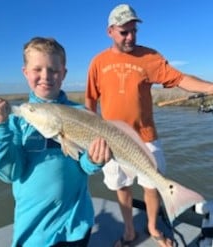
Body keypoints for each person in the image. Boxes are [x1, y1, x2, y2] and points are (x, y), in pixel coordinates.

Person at [85, 4, 213, 247]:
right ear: (110, 31)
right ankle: (130, 231)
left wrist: (210, 87)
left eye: (134, 31)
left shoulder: (149, 57)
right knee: (120, 185)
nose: (130, 37)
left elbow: (180, 79)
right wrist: (93, 132)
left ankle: (153, 228)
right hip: (110, 138)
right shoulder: (98, 62)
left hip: (145, 137)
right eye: (124, 32)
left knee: (152, 184)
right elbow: (90, 98)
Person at [0, 37, 112, 247]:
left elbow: (84, 165)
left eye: (53, 70)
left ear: (63, 73)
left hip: (76, 223)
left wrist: (94, 160)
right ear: (25, 72)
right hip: (34, 230)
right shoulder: (17, 118)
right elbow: (11, 173)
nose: (46, 76)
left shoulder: (81, 113)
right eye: (37, 69)